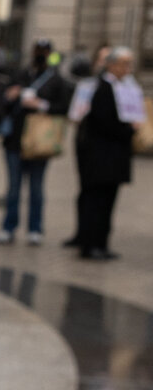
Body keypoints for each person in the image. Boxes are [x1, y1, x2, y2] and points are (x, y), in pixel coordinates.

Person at [68, 45, 143, 259]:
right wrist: (129, 129)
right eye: (124, 64)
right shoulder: (103, 89)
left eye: (129, 64)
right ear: (112, 65)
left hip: (113, 158)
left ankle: (101, 243)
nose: (128, 69)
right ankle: (90, 244)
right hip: (101, 158)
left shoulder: (123, 88)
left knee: (107, 202)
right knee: (96, 203)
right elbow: (104, 123)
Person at [0, 39, 70, 246]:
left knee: (36, 188)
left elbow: (64, 108)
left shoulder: (55, 80)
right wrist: (10, 97)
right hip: (15, 141)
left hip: (39, 143)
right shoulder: (20, 75)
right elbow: (3, 105)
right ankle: (8, 227)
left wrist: (41, 105)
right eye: (38, 51)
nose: (40, 55)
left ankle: (35, 229)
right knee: (13, 188)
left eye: (44, 51)